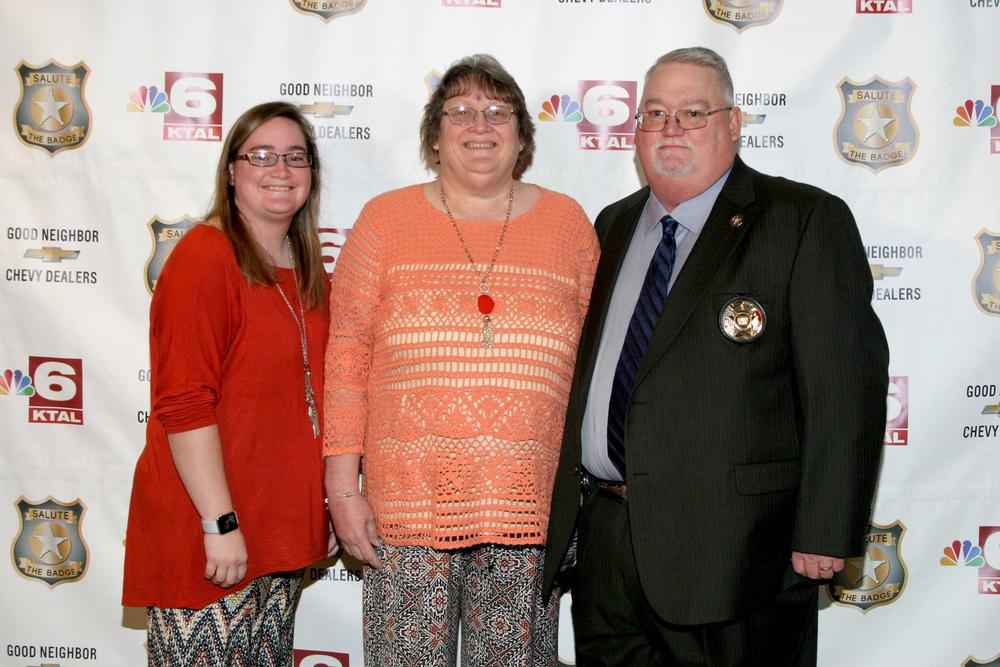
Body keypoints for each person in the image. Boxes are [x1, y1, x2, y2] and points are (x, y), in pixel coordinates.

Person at [543, 47, 890, 666]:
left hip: (736, 553)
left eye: (692, 112)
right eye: (655, 113)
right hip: (608, 548)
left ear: (734, 123)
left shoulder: (802, 221)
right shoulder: (612, 226)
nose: (670, 128)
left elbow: (845, 389)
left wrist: (825, 531)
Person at [323, 54, 599, 666]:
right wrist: (343, 490)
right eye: (461, 111)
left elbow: (600, 365)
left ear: (522, 137)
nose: (481, 124)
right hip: (405, 514)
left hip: (530, 513)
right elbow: (346, 358)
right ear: (434, 135)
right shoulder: (384, 222)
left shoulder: (569, 225)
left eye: (498, 111)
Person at [123, 101, 334, 666]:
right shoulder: (204, 257)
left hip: (278, 527)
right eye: (260, 155)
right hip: (213, 528)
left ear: (312, 173)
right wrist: (219, 523)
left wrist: (323, 506)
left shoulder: (307, 267)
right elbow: (185, 403)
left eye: (295, 157)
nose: (280, 170)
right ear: (231, 171)